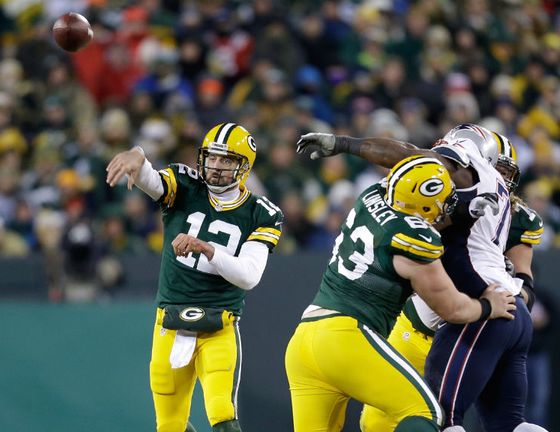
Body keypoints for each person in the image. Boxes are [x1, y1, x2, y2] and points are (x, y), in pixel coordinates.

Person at [297, 123, 543, 432]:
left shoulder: (387, 205)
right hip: (502, 314)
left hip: (466, 316)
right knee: (509, 424)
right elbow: (449, 215)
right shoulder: (487, 202)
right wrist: (515, 301)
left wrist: (343, 143)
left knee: (436, 418)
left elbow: (408, 159)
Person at [106, 123, 283, 432]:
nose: (215, 166)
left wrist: (207, 249)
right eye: (212, 157)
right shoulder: (186, 185)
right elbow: (150, 180)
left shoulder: (260, 212)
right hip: (170, 322)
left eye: (226, 160)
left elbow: (249, 276)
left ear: (243, 166)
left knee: (222, 417)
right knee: (169, 426)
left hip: (219, 324)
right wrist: (138, 155)